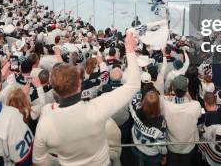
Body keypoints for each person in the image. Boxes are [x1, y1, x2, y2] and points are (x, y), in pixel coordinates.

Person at [33, 29, 140, 165]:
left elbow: (40, 161)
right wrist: (130, 49)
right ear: (79, 84)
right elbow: (134, 85)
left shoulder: (45, 122)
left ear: (54, 88)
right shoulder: (96, 108)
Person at [160, 75, 202, 166]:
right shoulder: (195, 105)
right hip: (188, 147)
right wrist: (188, 94)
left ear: (173, 89)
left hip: (172, 147)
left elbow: (163, 99)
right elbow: (198, 112)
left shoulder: (166, 105)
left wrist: (170, 97)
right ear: (186, 89)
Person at [130, 90, 167, 166]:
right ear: (157, 105)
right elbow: (161, 144)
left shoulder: (136, 108)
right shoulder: (160, 122)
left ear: (144, 101)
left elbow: (133, 97)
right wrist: (164, 154)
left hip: (136, 146)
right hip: (151, 154)